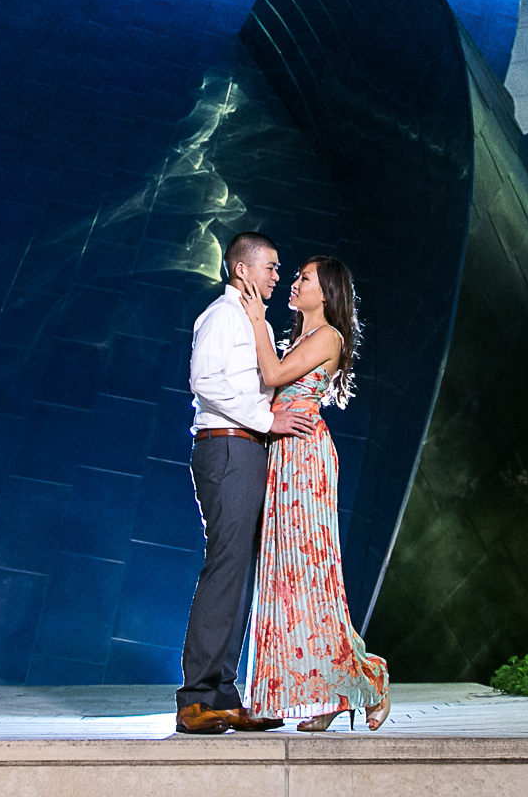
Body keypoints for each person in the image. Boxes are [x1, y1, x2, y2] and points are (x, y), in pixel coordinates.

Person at [237, 256, 390, 731]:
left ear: (325, 293)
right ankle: (328, 696)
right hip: (284, 455)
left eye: (304, 278)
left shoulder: (328, 336)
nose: (295, 283)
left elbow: (275, 376)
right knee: (288, 577)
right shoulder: (301, 336)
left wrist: (257, 319)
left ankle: (370, 676)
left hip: (304, 457)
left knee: (311, 573)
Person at [175, 232, 317, 735]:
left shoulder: (250, 320)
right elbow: (203, 380)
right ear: (242, 271)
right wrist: (264, 419)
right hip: (228, 444)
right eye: (271, 268)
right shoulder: (221, 315)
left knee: (241, 569)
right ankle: (195, 697)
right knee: (227, 562)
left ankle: (223, 693)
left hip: (247, 448)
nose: (278, 277)